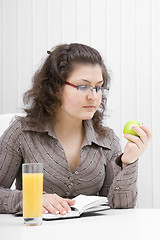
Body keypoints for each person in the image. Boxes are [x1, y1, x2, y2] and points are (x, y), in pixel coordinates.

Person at [0, 43, 152, 215]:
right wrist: (32, 199)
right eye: (82, 86)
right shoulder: (21, 132)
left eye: (98, 87)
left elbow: (120, 206)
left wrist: (128, 162)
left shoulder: (107, 139)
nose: (93, 96)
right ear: (55, 87)